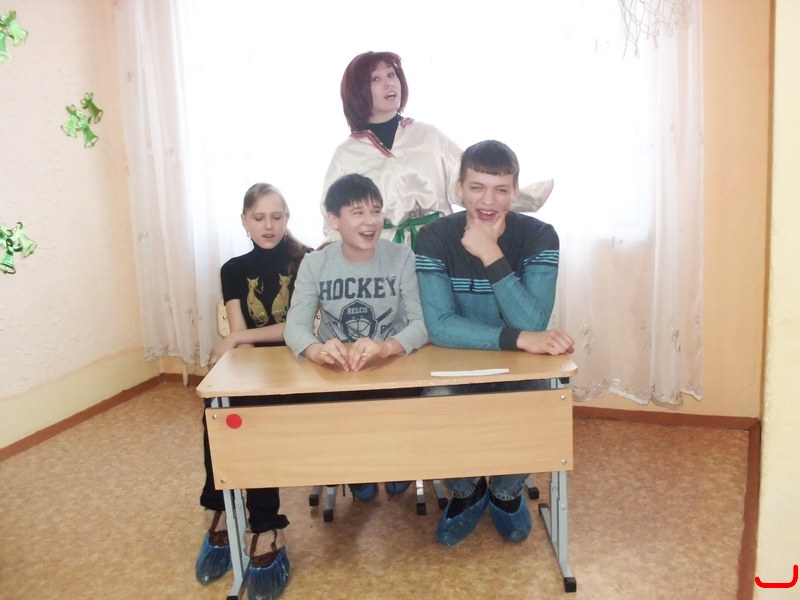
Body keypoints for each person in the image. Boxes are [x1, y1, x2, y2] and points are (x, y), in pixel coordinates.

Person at [414, 140, 575, 547]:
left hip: (520, 366)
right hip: (454, 360)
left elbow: (533, 320)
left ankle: (505, 492)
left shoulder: (540, 236)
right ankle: (467, 491)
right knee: (434, 400)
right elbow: (440, 327)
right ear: (459, 188)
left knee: (542, 399)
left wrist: (490, 253)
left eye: (501, 189)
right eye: (477, 187)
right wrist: (518, 339)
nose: (488, 201)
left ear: (515, 191)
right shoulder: (433, 237)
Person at [196, 183, 312, 600]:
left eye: (277, 216)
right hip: (255, 365)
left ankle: (265, 526)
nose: (269, 225)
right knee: (219, 407)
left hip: (301, 363)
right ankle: (220, 508)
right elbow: (240, 334)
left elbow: (298, 329)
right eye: (259, 217)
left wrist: (237, 340)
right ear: (244, 220)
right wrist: (239, 347)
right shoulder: (232, 269)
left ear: (287, 218)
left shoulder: (306, 260)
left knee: (255, 416)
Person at [284, 173, 428, 501]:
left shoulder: (401, 257)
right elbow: (294, 327)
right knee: (334, 418)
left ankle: (398, 464)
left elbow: (421, 324)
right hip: (339, 373)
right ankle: (354, 470)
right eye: (358, 212)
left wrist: (386, 347)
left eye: (375, 211)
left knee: (405, 412)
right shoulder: (315, 264)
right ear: (333, 219)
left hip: (391, 368)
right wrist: (317, 350)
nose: (370, 221)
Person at [321, 51, 554, 248]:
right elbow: (332, 218)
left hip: (438, 247)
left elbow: (468, 183)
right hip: (381, 257)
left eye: (392, 75)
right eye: (376, 79)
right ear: (358, 90)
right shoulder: (347, 154)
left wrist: (528, 198)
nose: (389, 83)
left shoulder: (428, 136)